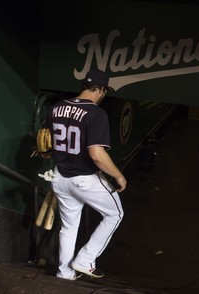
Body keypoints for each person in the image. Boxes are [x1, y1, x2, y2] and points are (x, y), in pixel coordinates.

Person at [48, 69, 127, 280]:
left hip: (60, 177)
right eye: (104, 91)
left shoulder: (57, 107)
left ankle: (64, 272)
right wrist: (118, 176)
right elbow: (97, 154)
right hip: (85, 179)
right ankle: (85, 260)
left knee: (68, 227)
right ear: (100, 89)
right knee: (115, 214)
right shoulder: (96, 113)